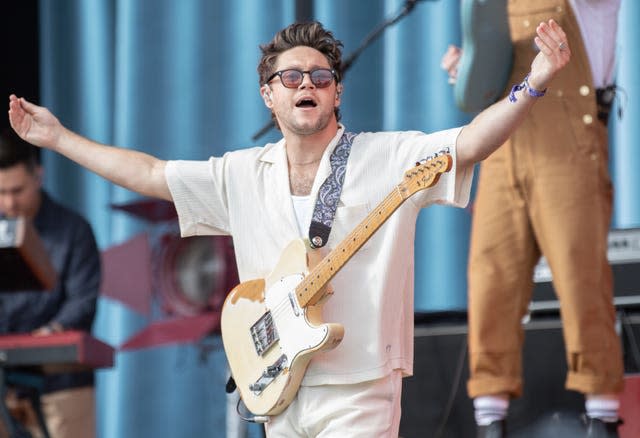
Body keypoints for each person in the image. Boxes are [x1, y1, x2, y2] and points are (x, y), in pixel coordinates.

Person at [8, 19, 569, 437]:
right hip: (279, 387)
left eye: (322, 76)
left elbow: (469, 141)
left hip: (358, 385)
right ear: (268, 94)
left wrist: (534, 82)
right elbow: (152, 173)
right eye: (293, 76)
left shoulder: (387, 156)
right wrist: (59, 140)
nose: (310, 82)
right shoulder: (242, 173)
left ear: (336, 92)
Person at [441, 1, 623, 437]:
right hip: (504, 147)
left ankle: (601, 414)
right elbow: (494, 64)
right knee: (491, 281)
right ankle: (490, 418)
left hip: (568, 150)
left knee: (582, 280)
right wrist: (473, 69)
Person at [0, 129, 101, 438]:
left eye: (17, 191)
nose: (9, 203)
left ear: (38, 177)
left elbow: (82, 302)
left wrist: (51, 332)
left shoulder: (73, 230)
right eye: (1, 193)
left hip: (62, 385)